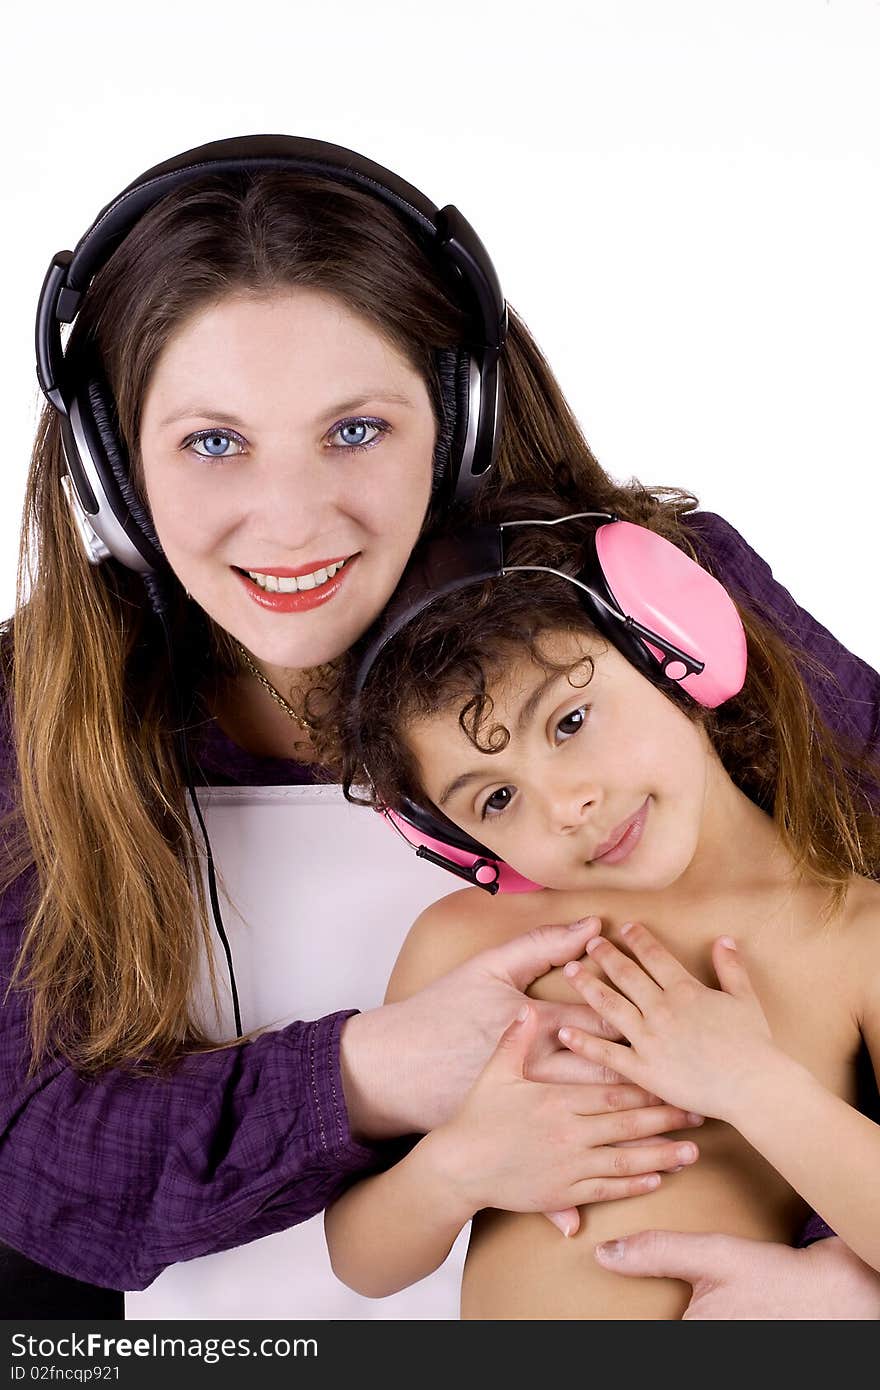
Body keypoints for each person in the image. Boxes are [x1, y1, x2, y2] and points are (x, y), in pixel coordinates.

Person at [1, 134, 878, 1317]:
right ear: (113, 470)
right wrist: (370, 1072)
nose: (292, 520)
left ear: (456, 417)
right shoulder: (48, 706)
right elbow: (34, 1160)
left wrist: (849, 1292)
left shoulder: (634, 602)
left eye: (354, 428)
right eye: (214, 442)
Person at [323, 485, 880, 1317]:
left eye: (571, 719)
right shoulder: (469, 945)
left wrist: (751, 1085)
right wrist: (459, 1169)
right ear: (460, 846)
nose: (565, 805)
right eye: (497, 802)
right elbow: (362, 1261)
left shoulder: (849, 929)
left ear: (674, 654)